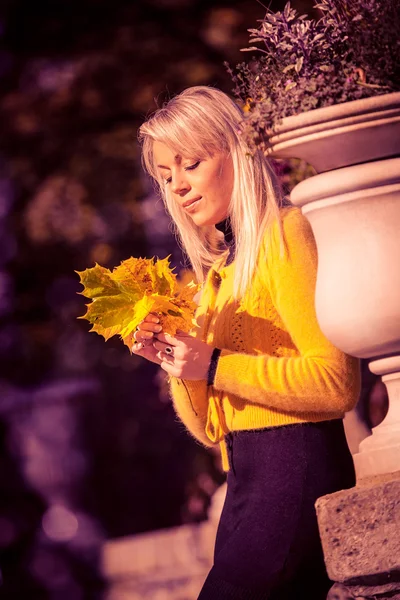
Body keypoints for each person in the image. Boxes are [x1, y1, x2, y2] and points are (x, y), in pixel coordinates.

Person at [133, 86, 361, 600]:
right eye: (167, 178)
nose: (179, 187)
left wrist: (213, 364)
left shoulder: (286, 235)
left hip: (294, 470)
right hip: (245, 481)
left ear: (234, 150)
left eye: (190, 164)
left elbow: (335, 384)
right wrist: (177, 363)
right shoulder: (216, 279)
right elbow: (209, 429)